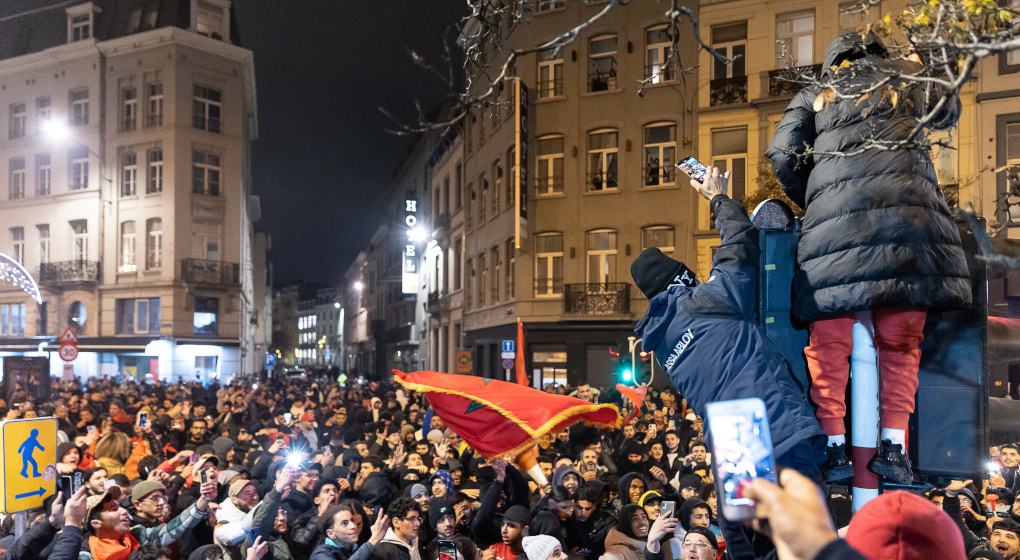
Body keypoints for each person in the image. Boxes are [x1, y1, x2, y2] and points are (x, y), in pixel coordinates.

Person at [765, 31, 969, 485]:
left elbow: (781, 153)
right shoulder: (907, 78)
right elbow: (947, 111)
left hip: (834, 236)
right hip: (909, 230)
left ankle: (834, 447)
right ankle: (894, 446)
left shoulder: (816, 93)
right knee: (901, 343)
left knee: (829, 345)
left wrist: (818, 194)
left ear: (832, 61)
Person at [630, 166, 826, 559]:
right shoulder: (705, 301)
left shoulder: (663, 347)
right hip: (773, 428)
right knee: (808, 538)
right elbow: (740, 244)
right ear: (681, 282)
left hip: (733, 445)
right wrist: (717, 197)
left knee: (753, 542)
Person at [309, 500, 388, 560]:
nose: (353, 526)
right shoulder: (320, 554)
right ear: (331, 533)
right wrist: (373, 541)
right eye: (344, 523)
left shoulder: (352, 548)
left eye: (352, 521)